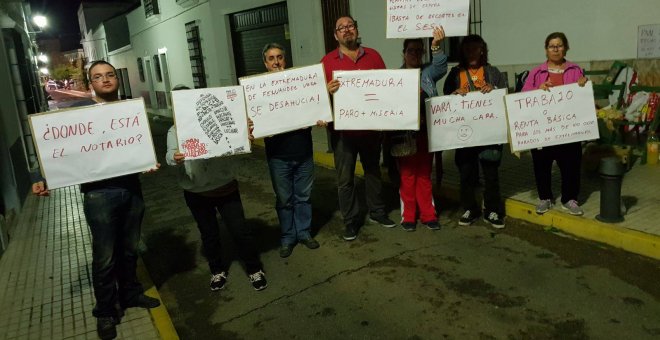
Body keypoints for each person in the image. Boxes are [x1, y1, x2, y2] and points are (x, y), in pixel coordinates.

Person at [32, 60, 160, 340]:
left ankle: (131, 294)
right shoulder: (78, 114)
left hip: (131, 190)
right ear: (91, 83)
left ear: (117, 79)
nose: (105, 80)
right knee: (105, 257)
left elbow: (139, 145)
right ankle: (105, 312)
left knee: (130, 249)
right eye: (98, 77)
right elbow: (55, 148)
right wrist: (40, 176)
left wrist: (148, 161)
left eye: (110, 75)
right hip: (98, 196)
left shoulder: (129, 111)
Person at [166, 85, 268, 292]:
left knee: (240, 231)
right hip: (196, 193)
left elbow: (237, 147)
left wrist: (243, 134)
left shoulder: (217, 119)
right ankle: (217, 271)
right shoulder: (175, 131)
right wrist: (174, 158)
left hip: (225, 187)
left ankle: (254, 269)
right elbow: (169, 155)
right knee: (209, 234)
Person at [322, 15, 397, 241]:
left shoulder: (374, 56)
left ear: (356, 29)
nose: (347, 30)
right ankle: (351, 221)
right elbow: (317, 99)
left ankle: (377, 212)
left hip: (371, 130)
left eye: (350, 26)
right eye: (341, 28)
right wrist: (326, 90)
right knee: (345, 180)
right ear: (336, 35)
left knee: (373, 172)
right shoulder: (326, 62)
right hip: (342, 133)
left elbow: (387, 89)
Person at [259, 43, 321, 258]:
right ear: (265, 63)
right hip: (278, 157)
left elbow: (315, 107)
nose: (276, 62)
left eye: (280, 57)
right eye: (271, 58)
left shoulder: (300, 84)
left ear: (285, 59)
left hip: (303, 153)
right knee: (284, 200)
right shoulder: (258, 91)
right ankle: (287, 237)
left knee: (303, 197)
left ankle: (304, 233)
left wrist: (321, 116)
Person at [443, 35, 507, 229]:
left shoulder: (492, 71)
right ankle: (470, 208)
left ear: (482, 50)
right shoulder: (455, 73)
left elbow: (504, 94)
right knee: (466, 173)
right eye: (468, 49)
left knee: (491, 173)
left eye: (476, 49)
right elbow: (445, 99)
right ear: (463, 51)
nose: (472, 52)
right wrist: (454, 94)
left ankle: (493, 210)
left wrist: (494, 89)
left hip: (489, 134)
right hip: (464, 134)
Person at [522, 32, 588, 216]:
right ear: (546, 50)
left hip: (569, 129)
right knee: (541, 164)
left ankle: (570, 199)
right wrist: (538, 89)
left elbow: (582, 96)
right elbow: (524, 94)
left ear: (566, 47)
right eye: (552, 46)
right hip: (543, 129)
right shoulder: (537, 72)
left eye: (559, 45)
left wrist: (583, 83)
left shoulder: (575, 69)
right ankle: (545, 198)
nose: (556, 49)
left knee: (571, 164)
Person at [395, 27, 448, 232]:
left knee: (425, 174)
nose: (415, 54)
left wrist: (436, 46)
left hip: (427, 133)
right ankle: (408, 216)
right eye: (411, 50)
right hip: (404, 136)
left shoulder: (428, 73)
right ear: (404, 53)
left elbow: (441, 66)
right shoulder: (395, 76)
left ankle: (428, 214)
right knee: (407, 176)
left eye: (419, 51)